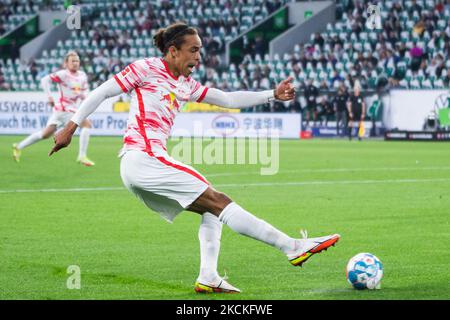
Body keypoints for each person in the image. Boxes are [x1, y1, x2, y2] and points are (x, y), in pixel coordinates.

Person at [49, 23, 340, 293]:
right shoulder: (146, 68)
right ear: (173, 51)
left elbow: (227, 99)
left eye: (200, 50)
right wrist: (70, 126)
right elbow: (102, 91)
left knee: (211, 210)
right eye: (193, 50)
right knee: (219, 200)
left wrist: (271, 95)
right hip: (143, 158)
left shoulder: (185, 84)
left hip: (143, 165)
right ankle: (291, 246)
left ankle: (208, 276)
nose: (198, 56)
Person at [13, 51, 95, 166]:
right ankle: (82, 156)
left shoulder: (82, 75)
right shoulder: (63, 74)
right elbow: (44, 80)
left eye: (77, 61)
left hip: (66, 110)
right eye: (73, 61)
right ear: (66, 63)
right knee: (86, 125)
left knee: (45, 134)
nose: (76, 63)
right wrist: (50, 97)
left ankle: (18, 146)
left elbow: (85, 90)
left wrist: (84, 95)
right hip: (64, 108)